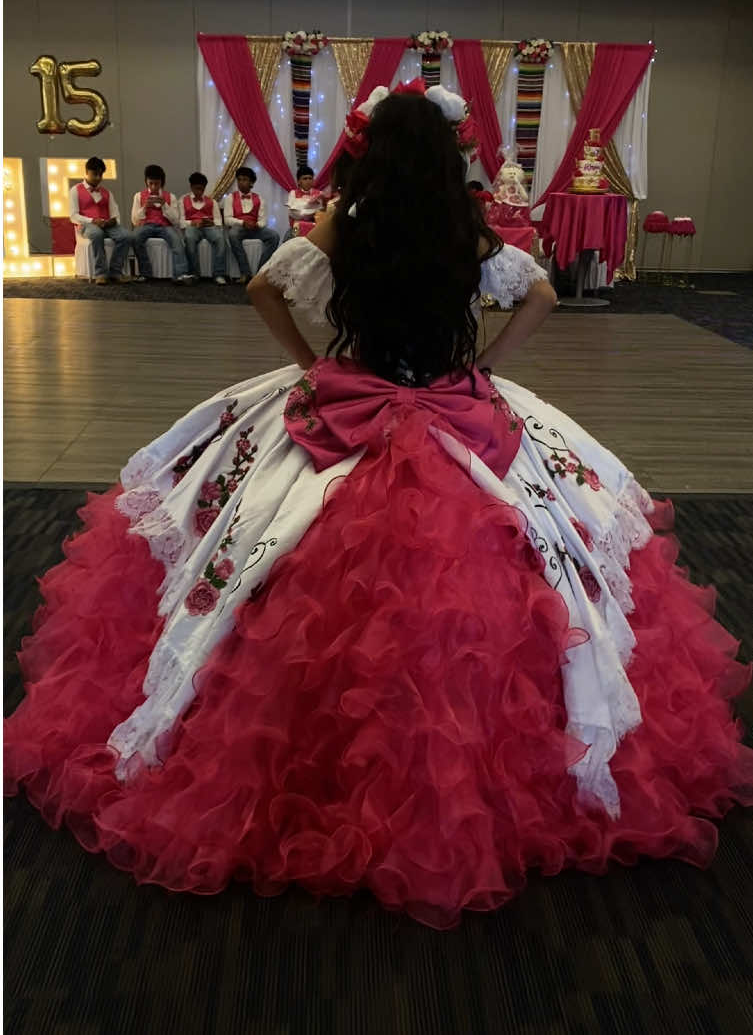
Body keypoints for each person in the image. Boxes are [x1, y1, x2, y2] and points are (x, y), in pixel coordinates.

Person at [5, 87, 751, 931]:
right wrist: (493, 367)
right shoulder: (464, 229)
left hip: (344, 401)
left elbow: (262, 287)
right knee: (534, 568)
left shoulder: (344, 222)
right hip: (455, 405)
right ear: (447, 158)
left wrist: (305, 364)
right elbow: (538, 293)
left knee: (259, 565)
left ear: (368, 153)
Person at [69, 157, 132, 284]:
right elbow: (73, 216)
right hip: (87, 224)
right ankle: (101, 273)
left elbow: (115, 213)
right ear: (87, 172)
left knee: (126, 236)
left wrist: (113, 221)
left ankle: (115, 271)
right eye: (95, 174)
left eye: (100, 174)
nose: (98, 178)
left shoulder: (107, 192)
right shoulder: (75, 190)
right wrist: (92, 220)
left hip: (107, 224)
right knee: (97, 234)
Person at [131, 165, 193, 284]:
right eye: (151, 183)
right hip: (146, 225)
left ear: (162, 183)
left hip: (165, 226)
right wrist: (144, 207)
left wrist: (165, 205)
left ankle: (180, 274)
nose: (154, 187)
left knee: (177, 241)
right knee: (135, 237)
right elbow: (134, 221)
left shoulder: (171, 197)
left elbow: (175, 220)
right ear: (146, 182)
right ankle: (145, 273)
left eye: (157, 184)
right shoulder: (138, 196)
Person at [223, 167, 279, 283]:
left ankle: (260, 273)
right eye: (239, 180)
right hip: (239, 228)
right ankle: (245, 272)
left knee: (274, 236)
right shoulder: (230, 198)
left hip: (255, 229)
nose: (241, 182)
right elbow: (227, 220)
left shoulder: (259, 199)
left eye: (244, 180)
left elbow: (263, 221)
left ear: (251, 183)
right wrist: (242, 222)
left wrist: (257, 225)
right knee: (233, 234)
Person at [179, 172, 227, 285]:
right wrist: (193, 222)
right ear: (191, 187)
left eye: (202, 189)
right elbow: (181, 222)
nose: (199, 192)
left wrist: (211, 222)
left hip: (209, 227)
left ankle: (219, 274)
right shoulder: (183, 200)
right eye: (197, 189)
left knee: (220, 239)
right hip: (193, 227)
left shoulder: (212, 201)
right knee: (189, 238)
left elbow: (219, 221)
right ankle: (194, 273)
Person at [283, 165, 323, 241]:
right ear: (298, 181)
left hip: (314, 228)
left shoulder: (319, 194)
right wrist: (311, 209)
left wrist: (300, 208)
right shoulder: (293, 193)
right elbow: (293, 214)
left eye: (310, 178)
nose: (308, 181)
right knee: (287, 241)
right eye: (305, 178)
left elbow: (320, 214)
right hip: (295, 228)